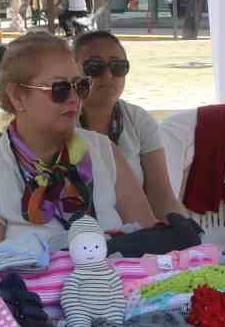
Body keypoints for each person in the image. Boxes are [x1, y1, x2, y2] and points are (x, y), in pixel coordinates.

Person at [0, 32, 155, 247]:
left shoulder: (103, 152)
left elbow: (151, 240)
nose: (74, 98)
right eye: (59, 89)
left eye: (80, 86)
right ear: (17, 96)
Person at [73, 30, 186, 222]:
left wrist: (186, 235)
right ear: (72, 72)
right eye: (95, 67)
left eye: (118, 66)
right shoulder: (60, 120)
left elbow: (161, 196)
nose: (108, 75)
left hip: (134, 238)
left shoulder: (138, 120)